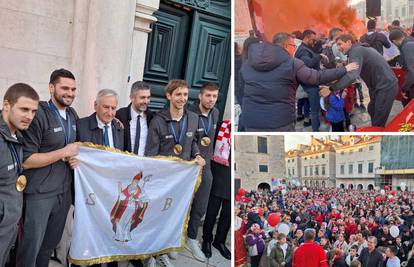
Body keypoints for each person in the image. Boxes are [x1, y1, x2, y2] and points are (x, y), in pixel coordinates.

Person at [19, 69, 79, 267]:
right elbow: (26, 160)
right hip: (39, 194)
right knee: (30, 249)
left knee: (48, 247)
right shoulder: (39, 114)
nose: (69, 93)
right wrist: (63, 152)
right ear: (51, 88)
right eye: (64, 88)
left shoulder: (72, 114)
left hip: (63, 193)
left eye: (73, 89)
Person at [239, 32, 359, 131]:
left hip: (251, 121)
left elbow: (241, 93)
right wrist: (345, 69)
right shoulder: (292, 63)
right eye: (293, 46)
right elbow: (317, 77)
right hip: (280, 122)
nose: (294, 50)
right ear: (286, 46)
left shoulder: (247, 64)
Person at [145, 79, 205, 267]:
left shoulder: (193, 118)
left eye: (186, 94)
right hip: (162, 180)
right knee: (157, 217)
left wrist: (196, 154)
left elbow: (194, 141)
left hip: (183, 181)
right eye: (178, 94)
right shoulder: (158, 121)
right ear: (169, 96)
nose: (182, 98)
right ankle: (151, 255)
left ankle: (165, 248)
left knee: (175, 216)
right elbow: (151, 154)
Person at [0, 84, 39, 267]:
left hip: (9, 228)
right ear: (6, 105)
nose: (29, 116)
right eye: (24, 109)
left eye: (33, 111)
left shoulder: (17, 135)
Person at [331, 34, 398, 127]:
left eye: (340, 44)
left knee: (378, 120)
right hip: (377, 86)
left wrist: (332, 88)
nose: (338, 48)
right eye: (337, 45)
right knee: (371, 109)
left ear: (349, 42)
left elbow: (352, 75)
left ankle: (377, 134)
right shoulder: (358, 49)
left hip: (385, 86)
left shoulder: (356, 51)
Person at [186, 83, 219, 262]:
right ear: (200, 96)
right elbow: (188, 137)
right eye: (208, 96)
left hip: (206, 166)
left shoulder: (215, 113)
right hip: (189, 163)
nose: (211, 100)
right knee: (181, 202)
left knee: (201, 205)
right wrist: (196, 154)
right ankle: (174, 238)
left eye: (214, 96)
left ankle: (191, 238)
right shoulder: (190, 112)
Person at [201, 119, 231, 261]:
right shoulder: (223, 126)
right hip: (219, 172)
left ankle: (219, 241)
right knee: (212, 211)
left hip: (234, 176)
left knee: (227, 215)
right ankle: (206, 239)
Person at [295, 29, 329, 131]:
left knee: (315, 108)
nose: (314, 42)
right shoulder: (303, 51)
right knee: (314, 111)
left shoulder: (306, 48)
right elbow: (308, 63)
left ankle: (316, 127)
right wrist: (319, 56)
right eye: (313, 40)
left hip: (311, 81)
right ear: (306, 38)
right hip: (310, 84)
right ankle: (316, 130)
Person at [116, 81, 153, 155]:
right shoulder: (119, 115)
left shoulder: (152, 118)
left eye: (148, 97)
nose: (146, 101)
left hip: (145, 164)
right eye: (142, 98)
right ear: (132, 98)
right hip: (123, 163)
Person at [389, 29, 414, 106]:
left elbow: (412, 71)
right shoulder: (410, 41)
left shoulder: (407, 46)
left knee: (407, 103)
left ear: (394, 41)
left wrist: (404, 88)